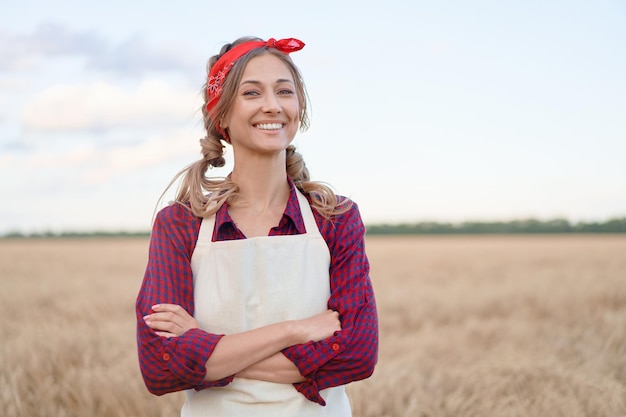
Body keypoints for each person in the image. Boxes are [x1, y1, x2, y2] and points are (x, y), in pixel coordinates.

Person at [135, 36, 378, 416]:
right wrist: (294, 331)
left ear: (299, 108)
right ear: (221, 116)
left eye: (285, 91)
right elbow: (160, 369)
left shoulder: (336, 218)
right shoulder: (180, 224)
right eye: (252, 92)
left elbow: (357, 355)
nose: (272, 105)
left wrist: (203, 347)